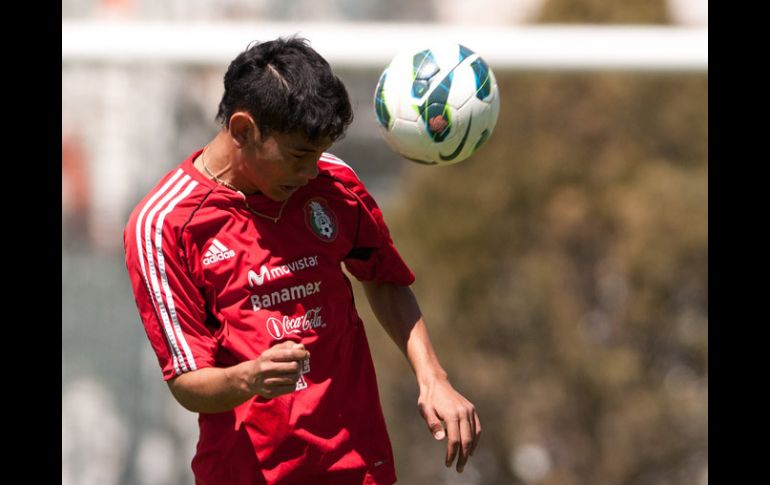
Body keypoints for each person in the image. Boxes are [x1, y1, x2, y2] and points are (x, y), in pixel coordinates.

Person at [123, 36, 480, 485]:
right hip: (248, 475)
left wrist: (432, 377)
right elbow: (187, 383)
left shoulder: (332, 183)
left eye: (319, 153)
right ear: (242, 130)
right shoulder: (164, 225)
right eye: (298, 156)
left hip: (359, 468)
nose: (312, 170)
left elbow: (384, 278)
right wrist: (248, 379)